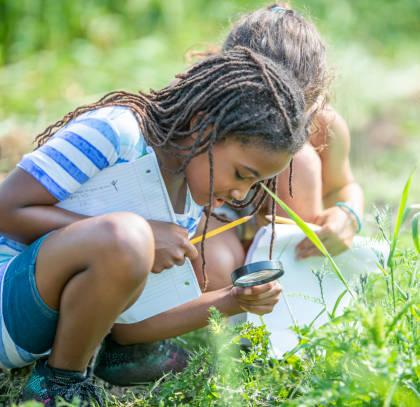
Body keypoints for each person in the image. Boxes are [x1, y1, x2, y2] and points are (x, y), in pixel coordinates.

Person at [0, 47, 307, 406]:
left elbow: (130, 328)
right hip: (9, 297)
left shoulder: (190, 199)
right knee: (127, 237)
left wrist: (232, 300)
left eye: (254, 185)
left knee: (129, 239)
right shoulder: (117, 132)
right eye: (241, 174)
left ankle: (65, 374)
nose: (241, 193)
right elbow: (6, 208)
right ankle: (58, 388)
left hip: (35, 336)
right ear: (201, 127)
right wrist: (139, 235)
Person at [201, 3, 365, 292]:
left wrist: (349, 216)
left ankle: (294, 283)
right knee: (216, 267)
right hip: (215, 217)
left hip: (285, 227)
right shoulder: (203, 112)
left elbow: (343, 185)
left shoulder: (324, 126)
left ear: (314, 101)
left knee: (300, 162)